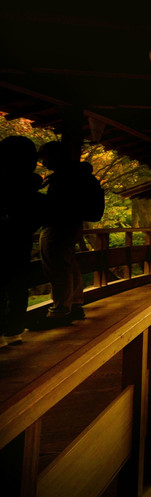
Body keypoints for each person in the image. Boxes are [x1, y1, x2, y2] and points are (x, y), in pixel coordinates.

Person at [38, 140, 98, 325]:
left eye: (45, 157)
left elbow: (56, 205)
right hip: (72, 225)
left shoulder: (64, 177)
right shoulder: (78, 174)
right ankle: (75, 305)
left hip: (58, 226)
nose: (43, 162)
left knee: (57, 267)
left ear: (56, 156)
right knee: (69, 264)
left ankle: (60, 311)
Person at [0, 136, 44, 347]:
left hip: (6, 238)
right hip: (22, 238)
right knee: (18, 283)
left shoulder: (5, 181)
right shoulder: (31, 185)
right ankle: (14, 331)